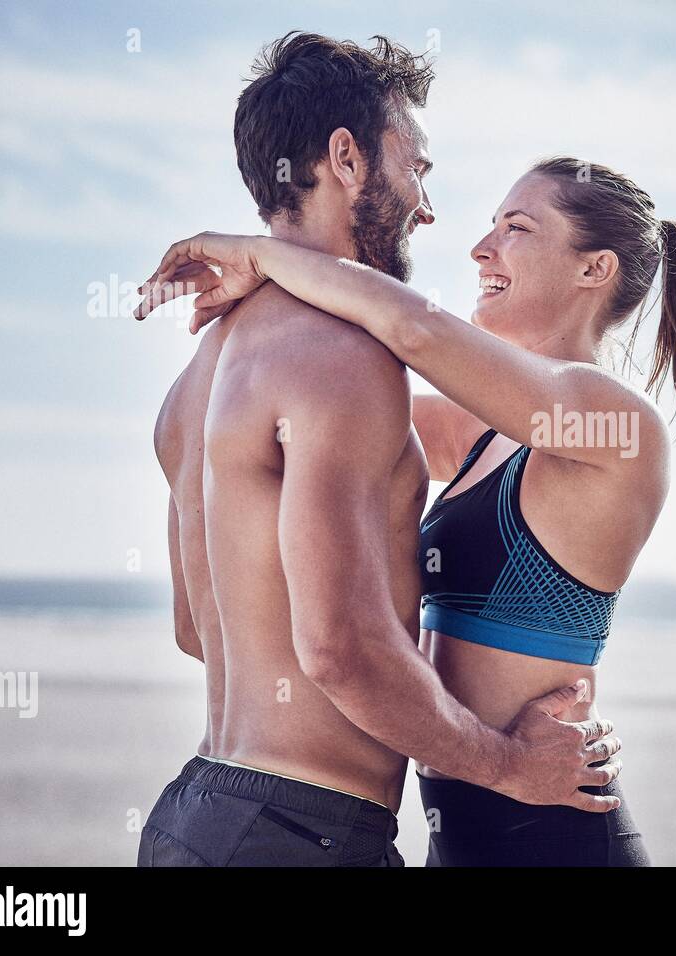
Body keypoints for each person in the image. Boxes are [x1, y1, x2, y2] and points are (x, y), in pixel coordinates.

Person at [137, 152, 676, 865]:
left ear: (593, 270)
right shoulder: (486, 431)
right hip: (459, 835)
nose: (481, 247)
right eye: (491, 225)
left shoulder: (612, 427)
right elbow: (305, 406)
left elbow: (414, 332)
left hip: (553, 834)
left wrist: (260, 254)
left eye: (517, 229)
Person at [135, 33, 621, 869]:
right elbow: (336, 648)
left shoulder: (197, 379)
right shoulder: (346, 359)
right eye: (417, 167)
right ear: (348, 160)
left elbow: (194, 628)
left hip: (195, 812)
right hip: (300, 835)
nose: (427, 206)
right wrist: (508, 765)